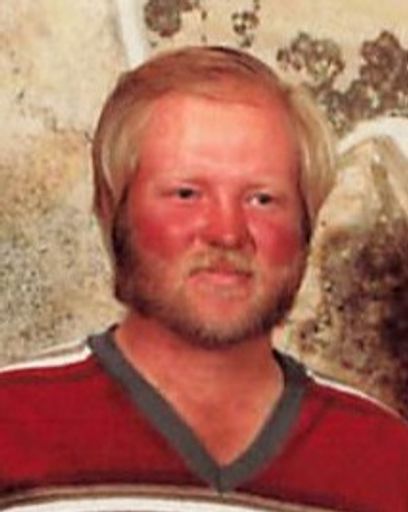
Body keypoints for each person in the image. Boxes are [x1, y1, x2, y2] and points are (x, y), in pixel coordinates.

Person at [0, 46, 407, 512]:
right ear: (113, 210)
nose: (227, 232)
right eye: (187, 194)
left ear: (305, 225)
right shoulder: (11, 428)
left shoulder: (386, 463)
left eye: (262, 199)